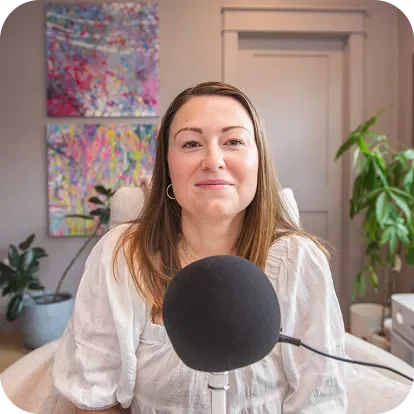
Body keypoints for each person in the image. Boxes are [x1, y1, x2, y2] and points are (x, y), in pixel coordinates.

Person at [51, 81, 348, 413]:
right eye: (191, 143)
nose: (213, 160)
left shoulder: (299, 260)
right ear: (168, 166)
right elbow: (95, 396)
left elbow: (320, 400)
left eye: (234, 141)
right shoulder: (121, 257)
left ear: (259, 160)